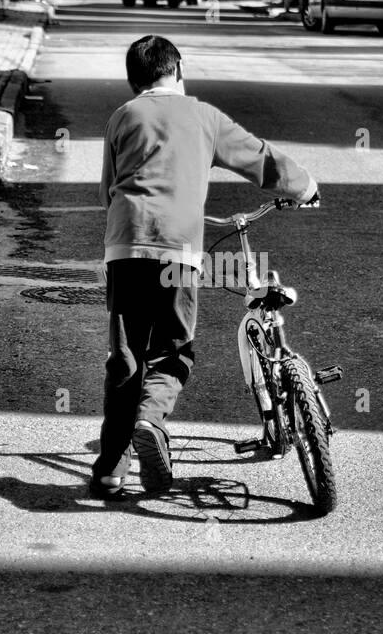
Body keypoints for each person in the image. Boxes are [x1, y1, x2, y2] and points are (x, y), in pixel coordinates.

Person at [91, 36, 320, 499]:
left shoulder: (122, 116)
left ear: (134, 81)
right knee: (173, 349)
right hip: (178, 251)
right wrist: (305, 187)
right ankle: (150, 420)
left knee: (125, 359)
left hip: (125, 248)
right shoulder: (203, 116)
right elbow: (260, 159)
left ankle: (111, 472)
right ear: (179, 70)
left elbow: (107, 191)